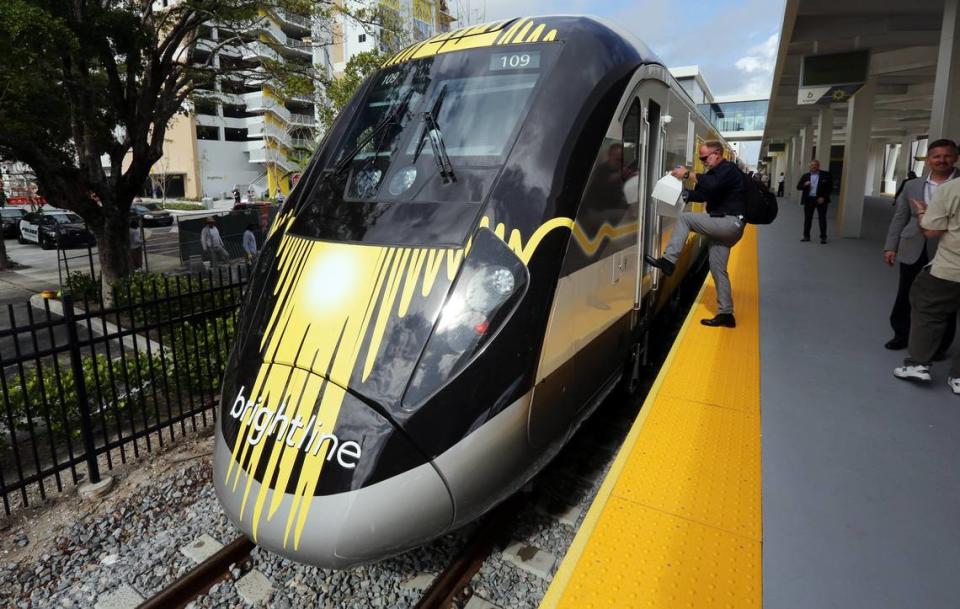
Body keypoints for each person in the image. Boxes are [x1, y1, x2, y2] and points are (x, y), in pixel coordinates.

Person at [645, 140, 745, 328]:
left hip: (730, 223)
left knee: (686, 219)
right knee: (718, 270)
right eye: (701, 158)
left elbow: (713, 185)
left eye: (704, 157)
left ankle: (668, 261)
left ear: (717, 153)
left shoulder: (728, 169)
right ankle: (726, 314)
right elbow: (703, 194)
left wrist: (688, 174)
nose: (703, 161)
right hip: (723, 225)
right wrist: (684, 192)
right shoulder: (715, 173)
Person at [883, 139, 960, 351]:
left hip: (948, 251)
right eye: (936, 156)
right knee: (906, 293)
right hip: (913, 246)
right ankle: (901, 334)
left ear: (956, 158)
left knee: (946, 299)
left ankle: (940, 344)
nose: (941, 160)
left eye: (947, 156)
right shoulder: (912, 185)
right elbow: (900, 217)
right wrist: (891, 246)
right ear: (927, 160)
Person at [893, 174, 960, 394]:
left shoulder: (952, 189)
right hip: (938, 262)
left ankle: (919, 364)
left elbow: (932, 231)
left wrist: (922, 211)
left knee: (928, 312)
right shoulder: (913, 185)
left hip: (950, 268)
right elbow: (900, 216)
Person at [796, 160, 833, 243]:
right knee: (808, 218)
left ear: (818, 166)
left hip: (821, 199)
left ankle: (823, 237)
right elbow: (798, 187)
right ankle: (806, 236)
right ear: (809, 167)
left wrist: (823, 197)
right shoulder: (805, 176)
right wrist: (804, 185)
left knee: (822, 218)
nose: (814, 166)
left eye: (815, 165)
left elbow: (830, 188)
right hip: (809, 199)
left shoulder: (826, 175)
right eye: (812, 165)